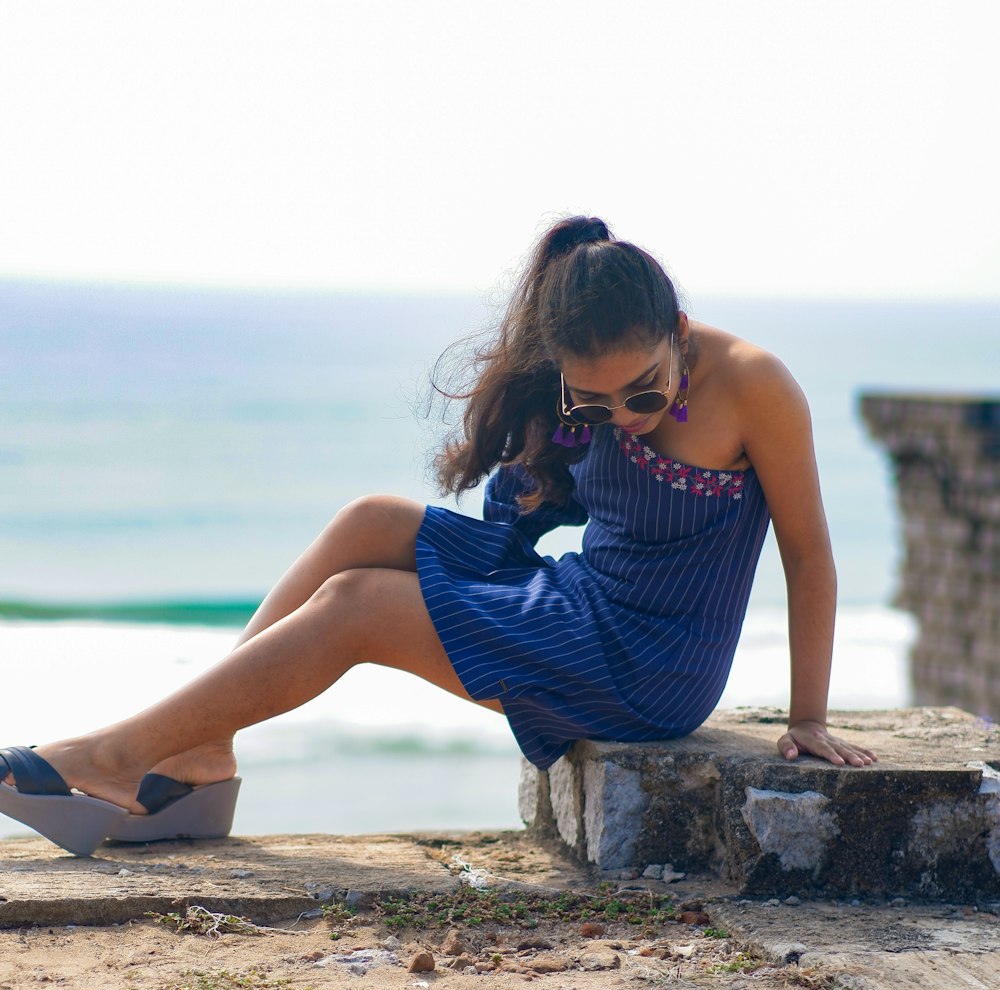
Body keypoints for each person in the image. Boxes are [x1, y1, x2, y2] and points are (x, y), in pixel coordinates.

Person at [0, 215, 876, 856]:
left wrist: (807, 717)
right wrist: (545, 468)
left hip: (652, 664)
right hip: (584, 599)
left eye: (644, 395)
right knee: (370, 520)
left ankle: (118, 758)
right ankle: (197, 747)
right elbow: (570, 505)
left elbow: (808, 554)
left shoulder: (757, 386)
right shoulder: (585, 393)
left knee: (357, 608)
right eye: (594, 402)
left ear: (679, 334)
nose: (626, 419)